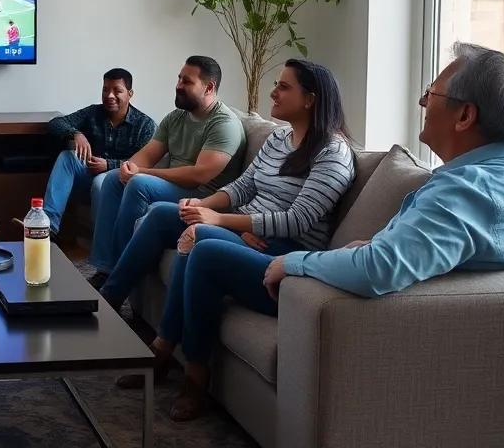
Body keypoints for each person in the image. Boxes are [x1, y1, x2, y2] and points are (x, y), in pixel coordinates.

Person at [99, 60, 356, 419]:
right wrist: (200, 206)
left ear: (311, 99)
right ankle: (107, 302)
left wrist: (220, 221)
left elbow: (299, 220)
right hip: (247, 231)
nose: (273, 91)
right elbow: (242, 187)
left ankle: (190, 373)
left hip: (286, 256)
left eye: (284, 86)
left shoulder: (333, 153)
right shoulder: (280, 138)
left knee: (201, 241)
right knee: (162, 213)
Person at [263, 42, 504, 302]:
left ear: (465, 116)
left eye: (431, 94)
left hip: (360, 313)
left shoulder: (467, 192)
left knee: (217, 253)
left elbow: (378, 269)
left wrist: (295, 263)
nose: (422, 103)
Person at [87, 55, 246, 285]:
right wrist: (129, 167)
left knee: (139, 183)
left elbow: (198, 176)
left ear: (209, 87)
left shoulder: (224, 124)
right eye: (179, 78)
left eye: (187, 81)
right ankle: (105, 268)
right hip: (173, 187)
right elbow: (147, 155)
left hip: (204, 197)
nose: (178, 85)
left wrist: (141, 173)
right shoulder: (176, 118)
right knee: (113, 179)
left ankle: (121, 272)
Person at [41, 68, 156, 236]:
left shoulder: (145, 125)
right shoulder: (93, 113)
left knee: (101, 181)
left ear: (130, 93)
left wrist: (108, 165)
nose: (109, 95)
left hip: (120, 184)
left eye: (117, 91)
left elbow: (143, 164)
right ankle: (48, 227)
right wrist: (76, 134)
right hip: (86, 178)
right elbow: (55, 123)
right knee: (67, 157)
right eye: (105, 89)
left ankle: (100, 244)